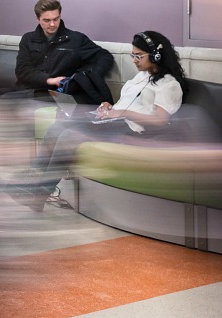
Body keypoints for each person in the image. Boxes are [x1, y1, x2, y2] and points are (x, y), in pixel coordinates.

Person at [23, 30, 187, 210]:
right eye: (133, 55)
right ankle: (29, 184)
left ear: (156, 56)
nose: (134, 60)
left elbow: (160, 121)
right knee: (58, 126)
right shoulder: (142, 76)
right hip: (115, 121)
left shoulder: (169, 85)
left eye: (139, 56)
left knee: (69, 136)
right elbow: (130, 103)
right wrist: (110, 106)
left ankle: (39, 196)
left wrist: (124, 113)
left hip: (130, 129)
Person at [13, 0, 114, 105]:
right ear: (37, 19)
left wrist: (87, 76)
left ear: (60, 16)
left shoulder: (76, 39)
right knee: (0, 98)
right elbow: (22, 70)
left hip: (57, 96)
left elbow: (104, 56)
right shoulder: (28, 39)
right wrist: (49, 80)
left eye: (56, 19)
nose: (52, 24)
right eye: (47, 20)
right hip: (28, 91)